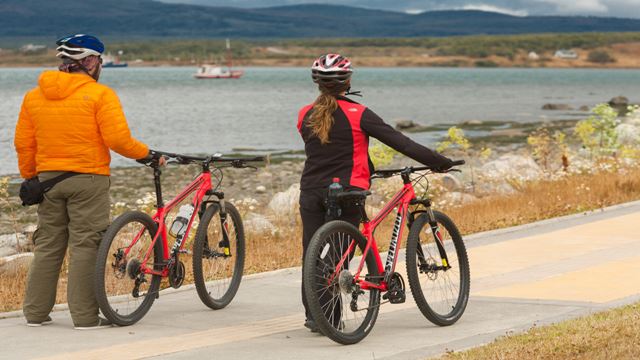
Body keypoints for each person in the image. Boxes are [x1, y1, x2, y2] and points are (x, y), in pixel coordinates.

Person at [297, 54, 454, 332]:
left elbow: (325, 150)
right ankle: (327, 319)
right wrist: (438, 161)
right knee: (337, 255)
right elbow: (401, 142)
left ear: (318, 85)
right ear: (348, 81)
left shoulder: (304, 114)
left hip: (310, 190)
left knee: (311, 252)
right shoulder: (359, 113)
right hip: (346, 191)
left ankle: (316, 316)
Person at [14, 34, 161, 329]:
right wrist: (146, 154)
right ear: (91, 62)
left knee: (48, 245)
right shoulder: (100, 95)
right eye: (100, 61)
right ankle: (83, 317)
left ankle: (35, 313)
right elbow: (117, 139)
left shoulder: (34, 96)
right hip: (89, 179)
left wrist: (32, 176)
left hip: (48, 182)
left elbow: (24, 143)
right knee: (86, 245)